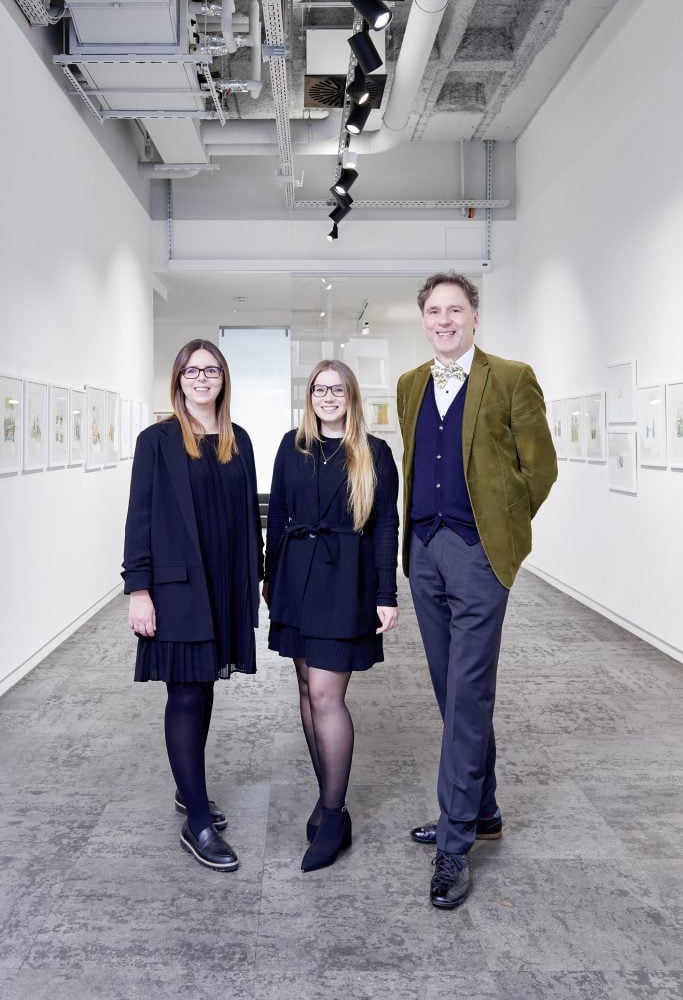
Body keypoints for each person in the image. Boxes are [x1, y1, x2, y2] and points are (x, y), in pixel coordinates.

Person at [397, 273, 557, 909]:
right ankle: (482, 808)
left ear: (475, 317)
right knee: (450, 689)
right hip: (425, 550)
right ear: (424, 319)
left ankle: (455, 842)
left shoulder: (512, 377)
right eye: (434, 311)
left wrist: (502, 529)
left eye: (454, 309)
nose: (444, 319)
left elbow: (539, 467)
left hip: (478, 554)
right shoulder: (411, 384)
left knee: (468, 691)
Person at [122, 339, 263, 872]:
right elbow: (140, 518)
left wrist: (260, 576)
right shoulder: (156, 440)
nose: (202, 378)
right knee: (185, 692)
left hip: (225, 584)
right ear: (178, 379)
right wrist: (139, 589)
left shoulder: (238, 440)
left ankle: (189, 789)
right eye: (192, 370)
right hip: (177, 586)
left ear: (223, 379)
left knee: (203, 688)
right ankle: (197, 818)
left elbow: (250, 517)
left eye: (212, 370)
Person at [264, 360, 399, 872]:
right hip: (295, 578)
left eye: (336, 389)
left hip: (346, 582)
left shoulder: (373, 453)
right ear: (309, 396)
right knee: (304, 688)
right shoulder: (291, 445)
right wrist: (268, 573)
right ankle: (327, 800)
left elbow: (387, 525)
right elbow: (276, 512)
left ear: (351, 396)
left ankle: (334, 811)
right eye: (319, 389)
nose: (327, 397)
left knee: (325, 693)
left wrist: (386, 592)